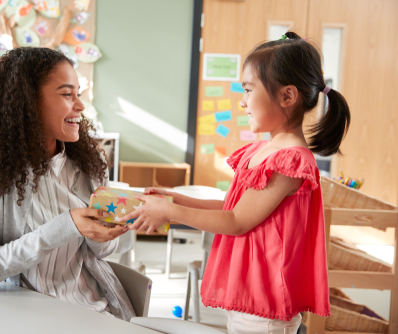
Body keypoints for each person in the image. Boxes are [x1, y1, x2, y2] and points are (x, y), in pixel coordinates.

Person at [120, 32, 350, 333]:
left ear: (287, 96)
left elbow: (237, 221)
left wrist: (170, 212)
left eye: (248, 90)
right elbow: (232, 207)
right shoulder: (264, 150)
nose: (242, 102)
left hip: (266, 305)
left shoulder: (291, 161)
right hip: (250, 293)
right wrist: (173, 198)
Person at [0, 47, 135, 320]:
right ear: (28, 101)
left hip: (90, 312)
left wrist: (101, 234)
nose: (79, 105)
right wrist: (67, 225)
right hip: (19, 318)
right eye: (67, 94)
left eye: (78, 93)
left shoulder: (89, 162)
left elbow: (102, 254)